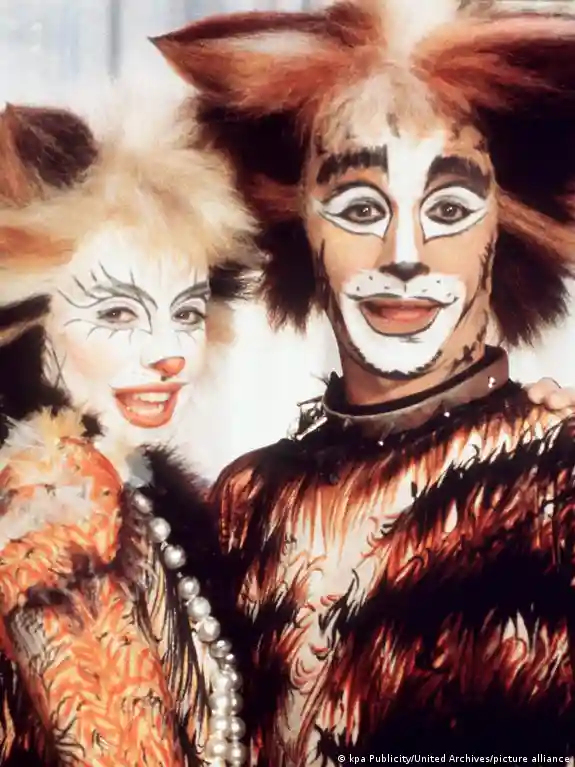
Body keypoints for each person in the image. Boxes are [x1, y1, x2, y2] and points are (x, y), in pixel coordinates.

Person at [152, 0, 575, 761]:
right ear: (297, 223)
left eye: (449, 206)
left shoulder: (559, 479)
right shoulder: (247, 502)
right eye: (357, 206)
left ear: (505, 229)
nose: (403, 252)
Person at [0, 92, 254, 765]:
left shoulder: (136, 497)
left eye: (187, 312)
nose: (169, 353)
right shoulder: (49, 509)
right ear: (28, 319)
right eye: (117, 314)